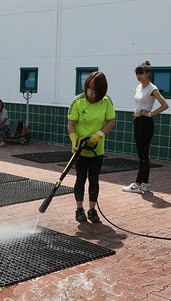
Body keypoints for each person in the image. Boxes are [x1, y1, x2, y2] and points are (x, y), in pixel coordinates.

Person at [68, 71, 116, 223]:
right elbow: (71, 123)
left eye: (94, 89)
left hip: (97, 150)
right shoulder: (78, 101)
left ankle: (92, 209)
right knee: (80, 178)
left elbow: (111, 121)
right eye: (89, 87)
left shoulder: (106, 102)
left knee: (94, 180)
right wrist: (74, 138)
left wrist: (99, 135)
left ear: (101, 90)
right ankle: (79, 209)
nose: (90, 91)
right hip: (80, 149)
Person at [122, 61, 169, 193]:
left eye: (141, 73)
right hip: (137, 121)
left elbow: (165, 105)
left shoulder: (152, 88)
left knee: (143, 154)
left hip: (145, 123)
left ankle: (138, 183)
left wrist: (150, 114)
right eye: (137, 73)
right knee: (142, 154)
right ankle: (145, 183)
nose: (138, 76)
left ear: (147, 73)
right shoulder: (139, 87)